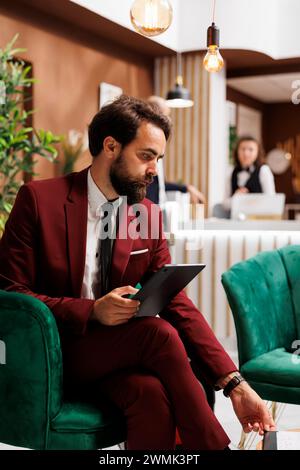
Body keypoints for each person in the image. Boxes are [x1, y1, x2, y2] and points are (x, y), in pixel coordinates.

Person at [0, 95, 275, 450]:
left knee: (151, 396)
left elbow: (177, 303)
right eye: (146, 156)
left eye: (158, 158)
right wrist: (92, 310)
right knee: (156, 334)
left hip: (115, 353)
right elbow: (10, 293)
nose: (155, 170)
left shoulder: (147, 214)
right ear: (110, 146)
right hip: (53, 351)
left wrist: (235, 382)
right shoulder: (39, 199)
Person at [146, 96, 206, 205]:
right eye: (165, 115)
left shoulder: (158, 149)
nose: (168, 120)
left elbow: (158, 184)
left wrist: (186, 188)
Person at [221, 135, 276, 213]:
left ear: (257, 152)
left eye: (251, 149)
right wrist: (236, 198)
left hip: (259, 218)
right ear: (237, 151)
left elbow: (271, 200)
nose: (246, 153)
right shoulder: (230, 172)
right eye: (243, 149)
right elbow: (225, 205)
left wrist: (251, 200)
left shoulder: (264, 170)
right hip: (235, 220)